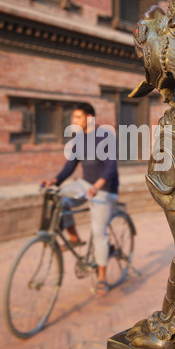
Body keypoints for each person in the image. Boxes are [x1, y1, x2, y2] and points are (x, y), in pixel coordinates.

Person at [41, 103, 119, 298]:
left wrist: (97, 186)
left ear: (90, 118)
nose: (73, 121)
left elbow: (111, 167)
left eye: (77, 117)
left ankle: (102, 277)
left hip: (105, 189)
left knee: (98, 231)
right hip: (85, 184)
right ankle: (74, 238)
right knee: (60, 198)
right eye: (73, 118)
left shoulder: (105, 135)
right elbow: (71, 165)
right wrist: (55, 180)